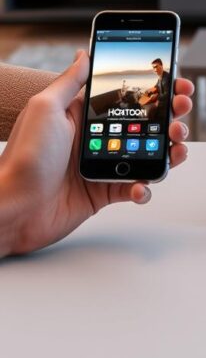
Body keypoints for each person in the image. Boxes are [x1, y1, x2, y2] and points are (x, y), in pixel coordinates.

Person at [0, 52, 194, 257]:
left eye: (156, 67)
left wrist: (17, 215)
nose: (154, 70)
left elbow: (155, 92)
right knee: (111, 102)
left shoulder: (162, 78)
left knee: (116, 104)